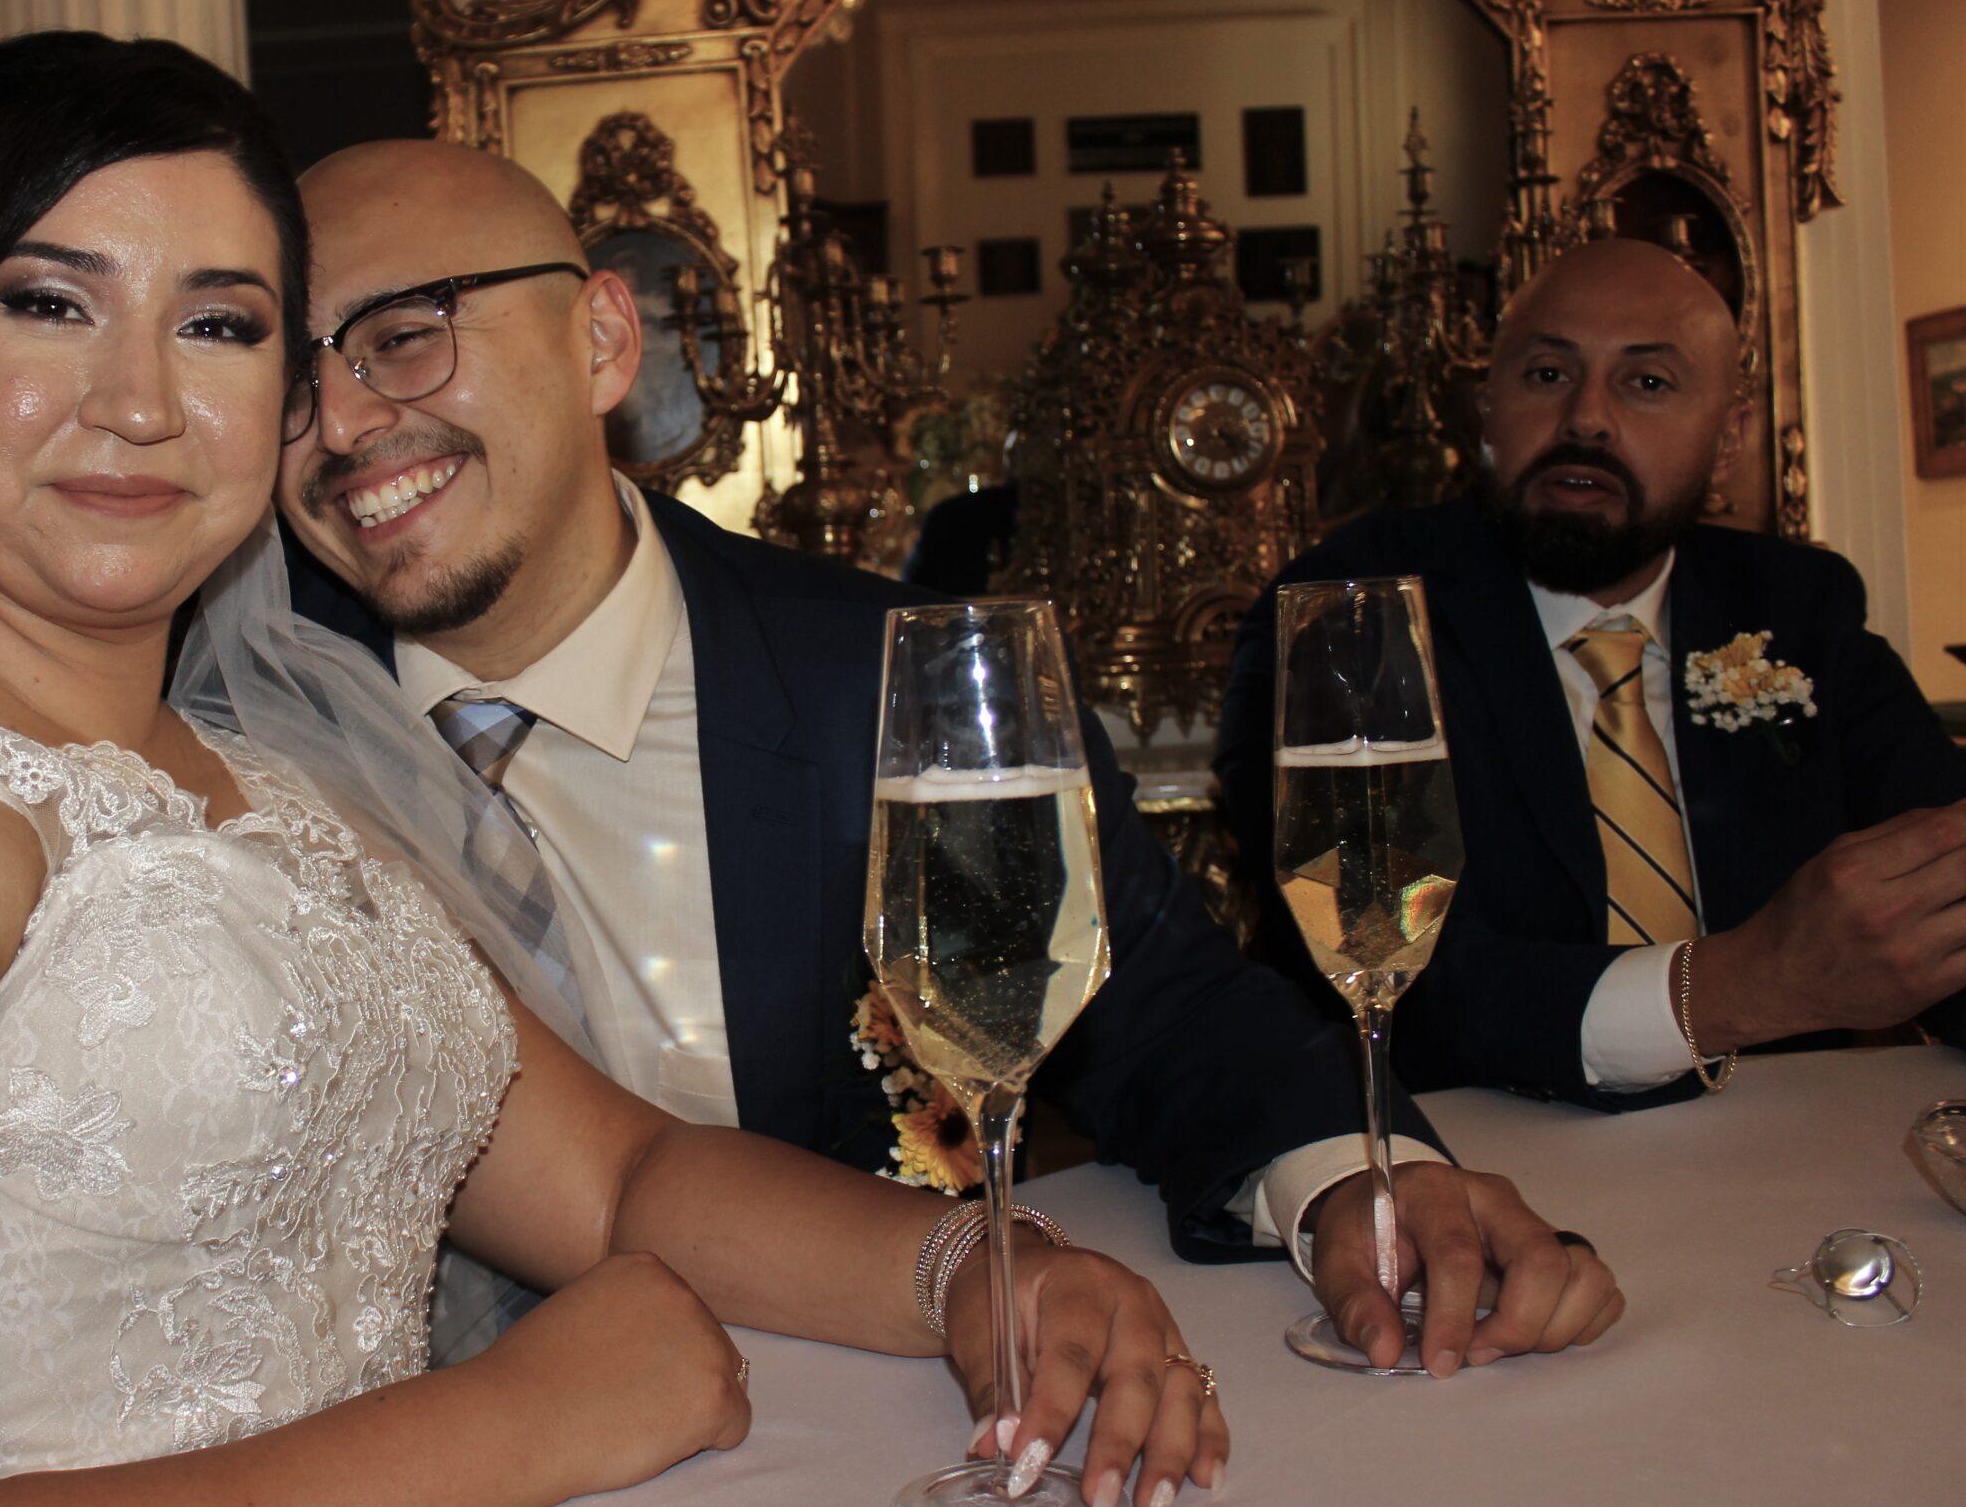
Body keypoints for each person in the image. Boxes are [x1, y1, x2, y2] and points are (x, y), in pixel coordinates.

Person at [0, 34, 1228, 1507]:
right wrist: (515, 1420)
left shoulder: (274, 789)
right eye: (50, 303)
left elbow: (616, 1178)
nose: (139, 400)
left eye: (218, 323)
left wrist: (971, 1266)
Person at [269, 138, 1624, 1381]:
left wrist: (1350, 1178)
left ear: (604, 341)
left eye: (404, 337)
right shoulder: (237, 744)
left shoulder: (878, 682)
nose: (338, 423)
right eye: (286, 381)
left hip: (877, 1425)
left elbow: (1163, 1011)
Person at [1218, 238, 1966, 1110]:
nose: (1587, 419)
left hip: (1790, 1136)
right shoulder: (1354, 613)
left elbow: (1944, 885)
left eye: (1647, 382)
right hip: (1474, 1143)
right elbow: (1387, 969)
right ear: (1486, 408)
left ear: (1728, 439)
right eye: (1547, 374)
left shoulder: (1798, 607)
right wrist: (1741, 984)